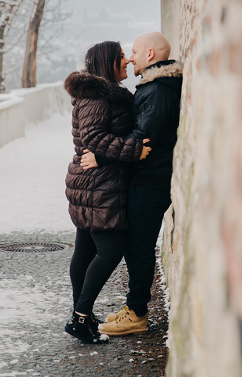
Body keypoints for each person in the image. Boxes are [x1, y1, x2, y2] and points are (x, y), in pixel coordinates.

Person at [80, 31, 183, 336]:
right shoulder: (153, 87)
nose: (130, 58)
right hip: (150, 177)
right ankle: (132, 307)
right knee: (136, 245)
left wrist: (104, 158)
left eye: (135, 52)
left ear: (150, 54)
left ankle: (137, 314)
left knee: (138, 247)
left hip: (152, 180)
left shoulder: (157, 91)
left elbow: (144, 139)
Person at [63, 41, 151, 344]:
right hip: (98, 184)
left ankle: (80, 316)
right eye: (122, 56)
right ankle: (80, 318)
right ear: (108, 62)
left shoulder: (102, 95)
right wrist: (134, 149)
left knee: (86, 250)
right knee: (110, 250)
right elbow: (94, 138)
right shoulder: (97, 97)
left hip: (94, 181)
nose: (127, 60)